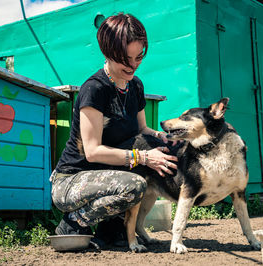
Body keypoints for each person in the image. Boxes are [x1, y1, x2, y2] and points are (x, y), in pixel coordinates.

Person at [50, 13, 178, 247]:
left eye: (139, 57)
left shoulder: (135, 86)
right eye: (125, 59)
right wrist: (145, 157)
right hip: (71, 181)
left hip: (109, 176)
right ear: (108, 53)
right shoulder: (95, 89)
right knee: (136, 180)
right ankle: (74, 222)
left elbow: (142, 130)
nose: (133, 65)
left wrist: (165, 138)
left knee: (150, 150)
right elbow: (93, 152)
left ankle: (111, 229)